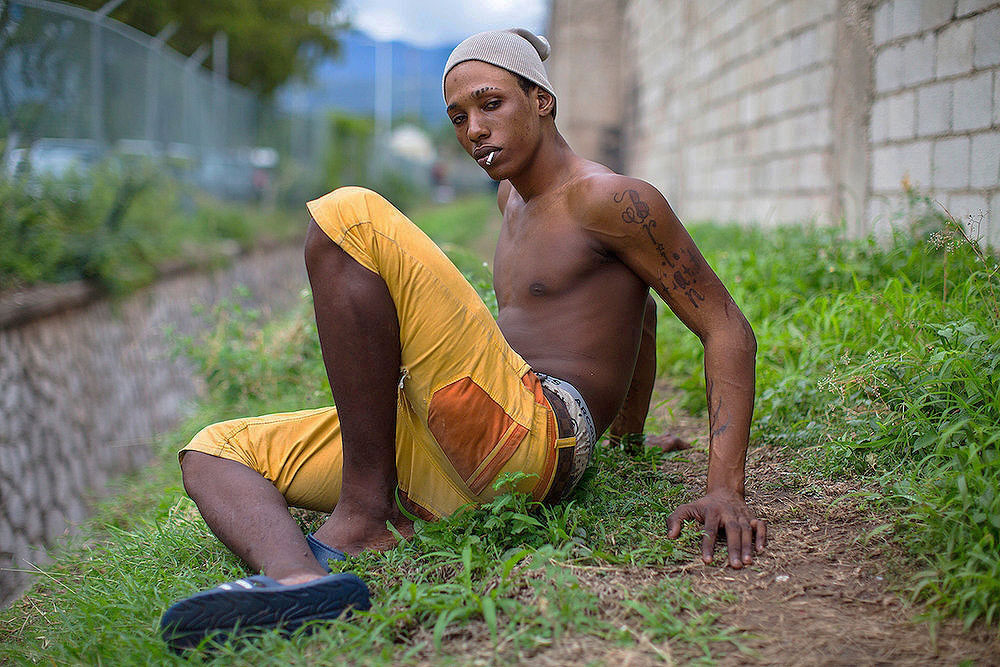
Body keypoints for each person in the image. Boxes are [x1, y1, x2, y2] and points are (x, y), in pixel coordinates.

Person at [159, 28, 766, 649]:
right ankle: (298, 580)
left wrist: (722, 488)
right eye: (458, 116)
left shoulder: (610, 200)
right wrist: (630, 438)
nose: (473, 128)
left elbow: (725, 328)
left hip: (533, 435)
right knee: (213, 449)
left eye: (490, 104)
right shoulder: (510, 199)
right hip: (451, 448)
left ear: (542, 100)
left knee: (349, 215)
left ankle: (366, 516)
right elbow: (636, 313)